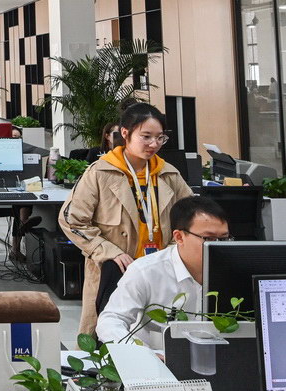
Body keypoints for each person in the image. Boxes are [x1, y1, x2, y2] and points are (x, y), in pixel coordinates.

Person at [60, 102, 193, 338]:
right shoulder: (100, 172)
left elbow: (190, 218)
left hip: (160, 270)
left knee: (158, 337)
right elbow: (72, 220)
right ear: (125, 133)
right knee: (109, 336)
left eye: (160, 138)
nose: (154, 144)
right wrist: (108, 251)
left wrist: (173, 251)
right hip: (116, 269)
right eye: (146, 136)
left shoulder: (169, 174)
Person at [96, 196, 231, 349]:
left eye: (224, 239)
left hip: (217, 356)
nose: (217, 247)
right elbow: (110, 321)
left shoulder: (233, 269)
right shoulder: (146, 271)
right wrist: (142, 354)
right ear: (179, 237)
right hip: (155, 357)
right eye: (209, 238)